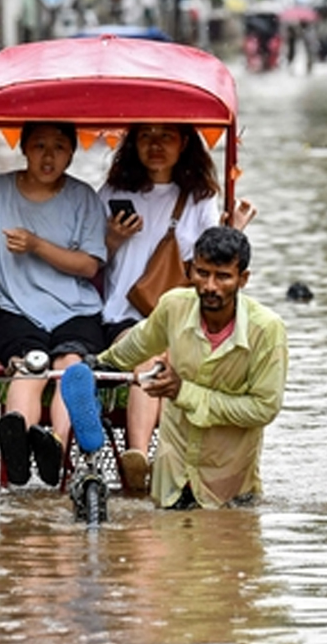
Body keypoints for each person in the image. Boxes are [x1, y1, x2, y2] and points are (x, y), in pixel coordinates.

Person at [99, 123, 255, 493]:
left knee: (167, 356)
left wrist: (235, 231)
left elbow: (213, 262)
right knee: (149, 357)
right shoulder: (112, 193)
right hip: (124, 315)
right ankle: (138, 457)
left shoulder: (200, 198)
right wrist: (113, 239)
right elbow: (91, 260)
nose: (155, 146)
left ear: (183, 143)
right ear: (133, 144)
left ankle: (180, 463)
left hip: (181, 317)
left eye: (166, 136)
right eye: (146, 137)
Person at [0, 122, 107, 488]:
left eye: (59, 147)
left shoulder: (83, 197)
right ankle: (19, 441)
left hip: (75, 309)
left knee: (70, 366)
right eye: (39, 146)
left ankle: (56, 445)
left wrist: (37, 245)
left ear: (71, 153)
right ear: (24, 148)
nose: (48, 156)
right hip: (15, 309)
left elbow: (89, 265)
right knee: (31, 364)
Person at [96, 226, 287, 509]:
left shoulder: (267, 330)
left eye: (223, 276)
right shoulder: (173, 306)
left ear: (243, 279)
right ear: (190, 270)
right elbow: (138, 344)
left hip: (228, 484)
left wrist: (184, 392)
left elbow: (264, 408)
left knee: (232, 533)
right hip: (171, 478)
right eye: (202, 273)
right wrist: (99, 365)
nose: (210, 286)